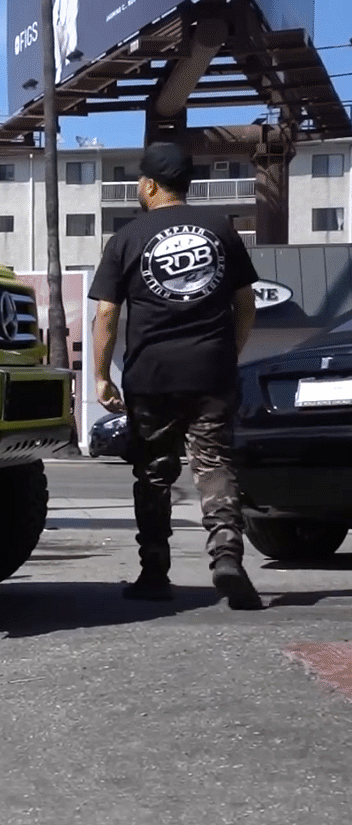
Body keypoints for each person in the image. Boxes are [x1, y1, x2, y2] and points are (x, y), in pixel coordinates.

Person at [88, 141, 262, 609]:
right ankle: (226, 554)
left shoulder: (127, 237)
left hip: (152, 375)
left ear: (148, 185)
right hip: (212, 369)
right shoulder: (221, 228)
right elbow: (246, 305)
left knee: (154, 472)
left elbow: (106, 315)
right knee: (214, 463)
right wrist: (228, 353)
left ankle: (154, 572)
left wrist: (101, 376)